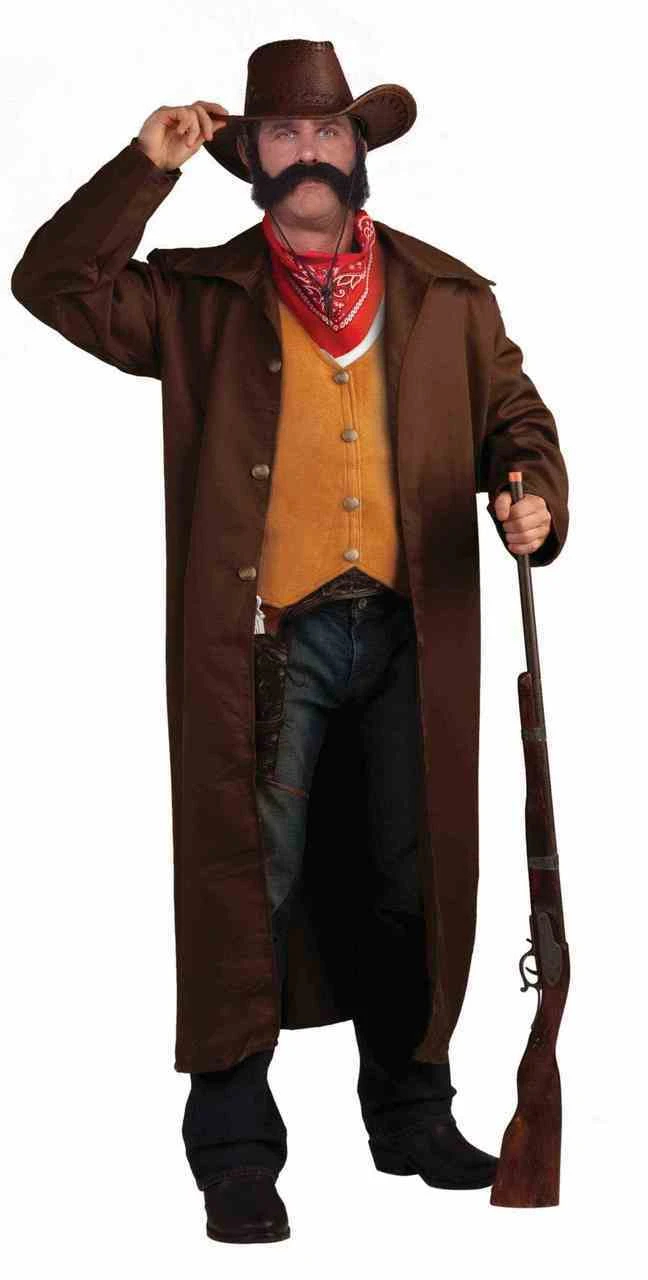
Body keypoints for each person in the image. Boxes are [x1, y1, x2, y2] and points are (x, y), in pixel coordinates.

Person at [11, 38, 569, 1246]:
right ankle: (234, 1152)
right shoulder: (197, 297)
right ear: (252, 158)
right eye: (282, 133)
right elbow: (53, 282)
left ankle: (412, 1116)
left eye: (326, 131)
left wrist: (531, 492)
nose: (307, 150)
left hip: (413, 630)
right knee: (244, 883)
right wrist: (144, 166)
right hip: (268, 639)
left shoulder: (448, 297)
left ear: (358, 150)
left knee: (410, 876)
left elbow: (515, 418)